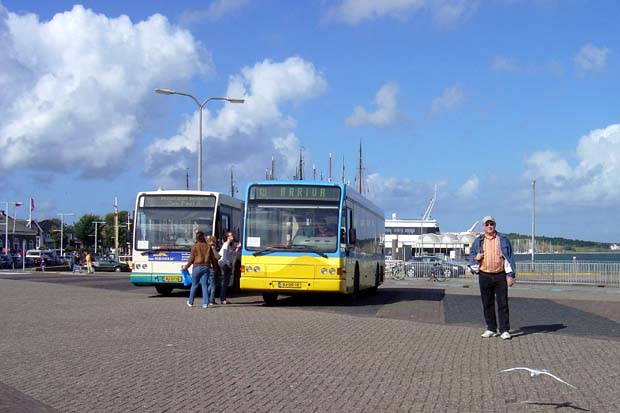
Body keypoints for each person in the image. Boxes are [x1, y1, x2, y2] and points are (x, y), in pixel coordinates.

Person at [469, 216, 516, 340]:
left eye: (492, 224)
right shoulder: (478, 241)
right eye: (487, 224)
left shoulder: (503, 239)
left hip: (500, 275)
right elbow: (472, 255)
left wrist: (511, 275)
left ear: (495, 225)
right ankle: (491, 328)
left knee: (503, 303)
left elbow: (510, 257)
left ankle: (505, 330)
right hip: (484, 274)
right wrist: (476, 258)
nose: (490, 226)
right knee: (487, 303)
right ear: (483, 227)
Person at [184, 231, 219, 309]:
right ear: (203, 237)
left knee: (194, 285)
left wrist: (186, 266)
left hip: (196, 267)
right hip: (206, 267)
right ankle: (205, 303)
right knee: (205, 285)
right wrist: (215, 268)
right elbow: (213, 259)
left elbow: (191, 259)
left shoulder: (194, 246)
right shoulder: (208, 246)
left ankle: (190, 302)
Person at [218, 231, 235, 305]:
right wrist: (228, 264)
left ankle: (223, 298)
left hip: (227, 264)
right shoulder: (225, 245)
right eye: (231, 235)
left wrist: (237, 249)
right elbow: (224, 257)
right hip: (225, 265)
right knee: (225, 282)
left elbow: (231, 254)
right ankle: (222, 298)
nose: (232, 236)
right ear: (228, 237)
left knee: (226, 282)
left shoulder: (229, 245)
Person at [206, 235, 220, 306]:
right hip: (213, 268)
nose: (215, 242)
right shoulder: (212, 248)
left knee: (211, 284)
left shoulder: (206, 247)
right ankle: (211, 300)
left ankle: (206, 298)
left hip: (208, 267)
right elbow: (217, 257)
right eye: (214, 240)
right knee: (213, 285)